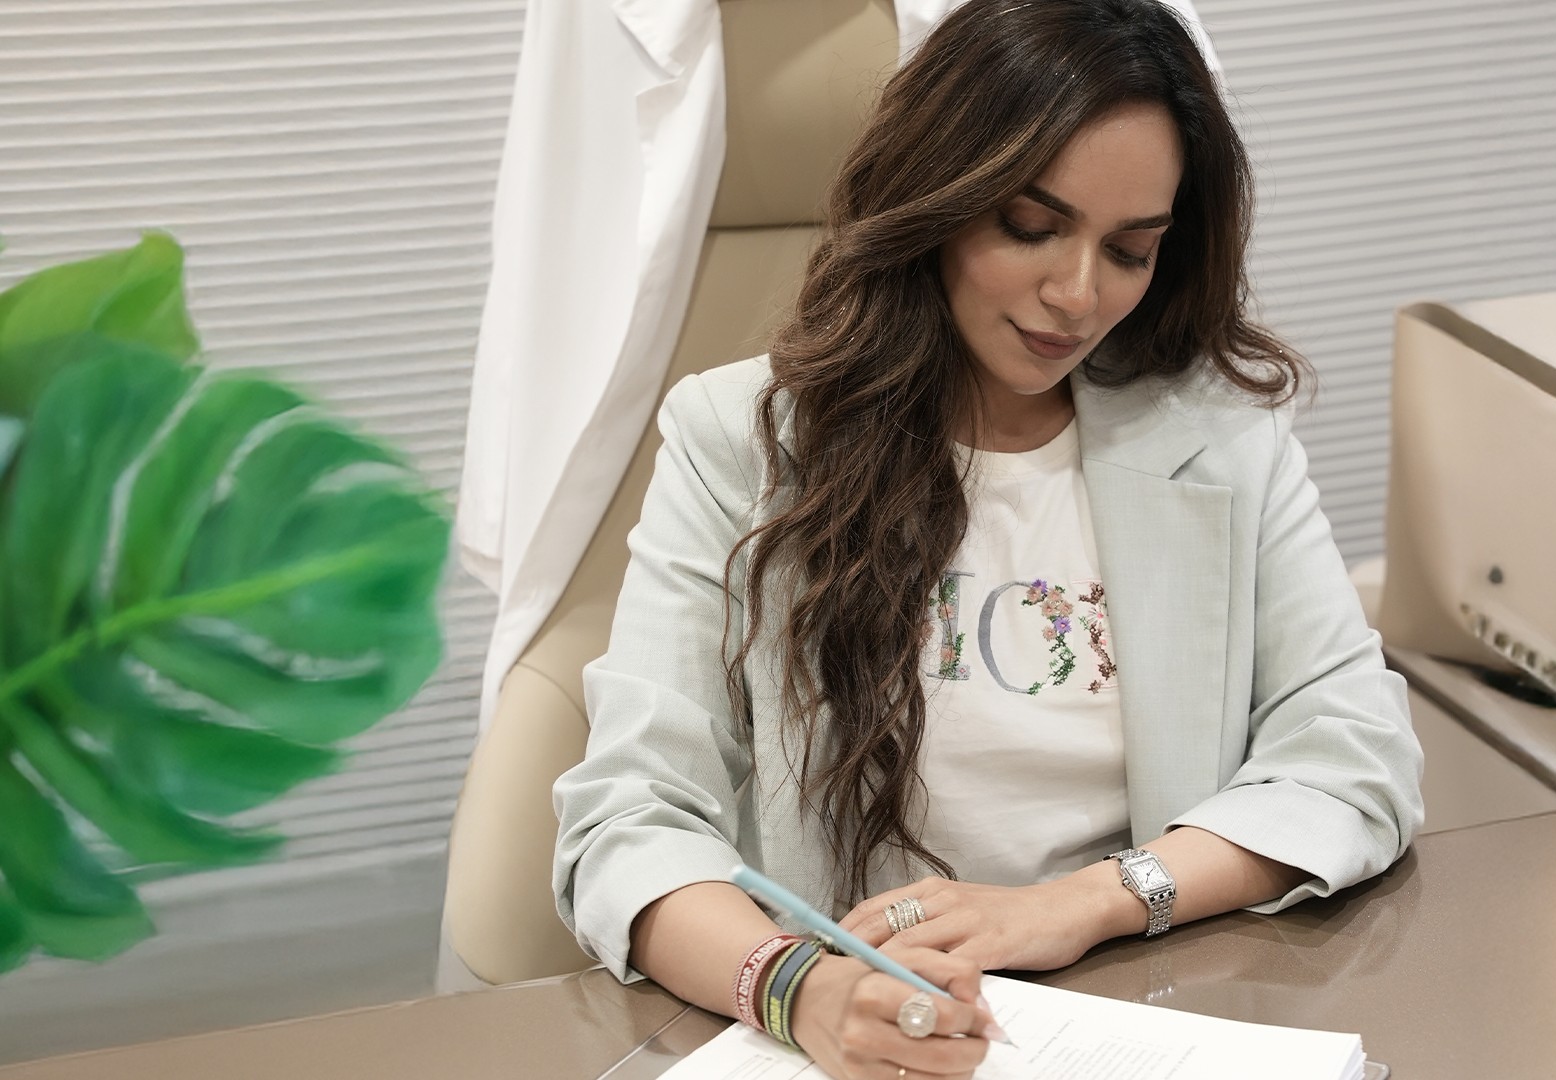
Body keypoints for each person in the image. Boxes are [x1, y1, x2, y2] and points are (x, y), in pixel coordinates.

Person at [553, 0, 1424, 1076]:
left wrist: (1084, 904)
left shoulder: (1222, 442)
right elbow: (628, 822)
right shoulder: (743, 441)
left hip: (1147, 1003)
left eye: (1131, 250)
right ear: (939, 200)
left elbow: (1355, 758)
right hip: (877, 1029)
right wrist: (800, 989)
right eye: (1031, 226)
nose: (1078, 294)